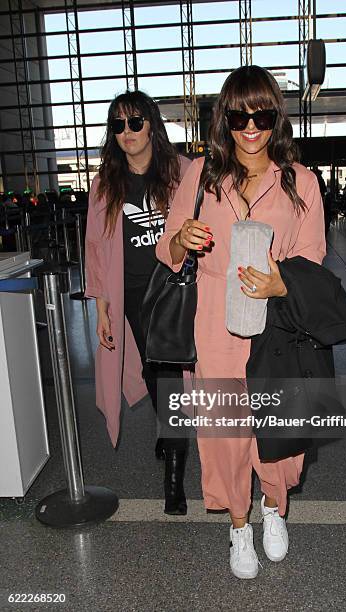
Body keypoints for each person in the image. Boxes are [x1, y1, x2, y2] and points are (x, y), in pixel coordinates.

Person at [156, 65, 326, 579]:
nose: (251, 126)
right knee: (227, 435)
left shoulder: (301, 183)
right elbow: (168, 245)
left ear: (277, 116)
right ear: (223, 118)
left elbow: (312, 259)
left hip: (278, 330)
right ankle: (238, 525)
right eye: (238, 115)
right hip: (216, 327)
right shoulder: (201, 177)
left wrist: (282, 284)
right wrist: (182, 240)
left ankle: (275, 509)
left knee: (278, 432)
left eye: (263, 113)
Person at [85, 90, 191, 515]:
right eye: (117, 125)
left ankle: (174, 484)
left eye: (134, 122)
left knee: (168, 378)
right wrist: (102, 310)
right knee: (153, 372)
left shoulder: (182, 172)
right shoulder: (105, 184)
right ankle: (170, 428)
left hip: (174, 291)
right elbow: (94, 248)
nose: (126, 132)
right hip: (131, 297)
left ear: (151, 125)